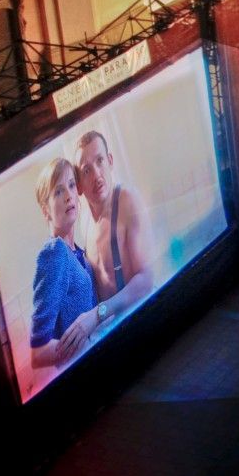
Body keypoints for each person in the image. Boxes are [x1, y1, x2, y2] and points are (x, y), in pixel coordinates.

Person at [65, 130, 155, 358]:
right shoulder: (84, 222)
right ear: (80, 186)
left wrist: (97, 314)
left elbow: (146, 280)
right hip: (113, 335)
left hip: (141, 327)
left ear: (111, 161)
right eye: (86, 170)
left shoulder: (127, 200)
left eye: (100, 161)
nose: (96, 174)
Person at [29, 158, 99, 368]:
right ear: (45, 210)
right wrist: (86, 348)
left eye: (71, 185)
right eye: (58, 192)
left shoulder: (78, 252)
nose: (69, 195)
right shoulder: (55, 253)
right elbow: (38, 353)